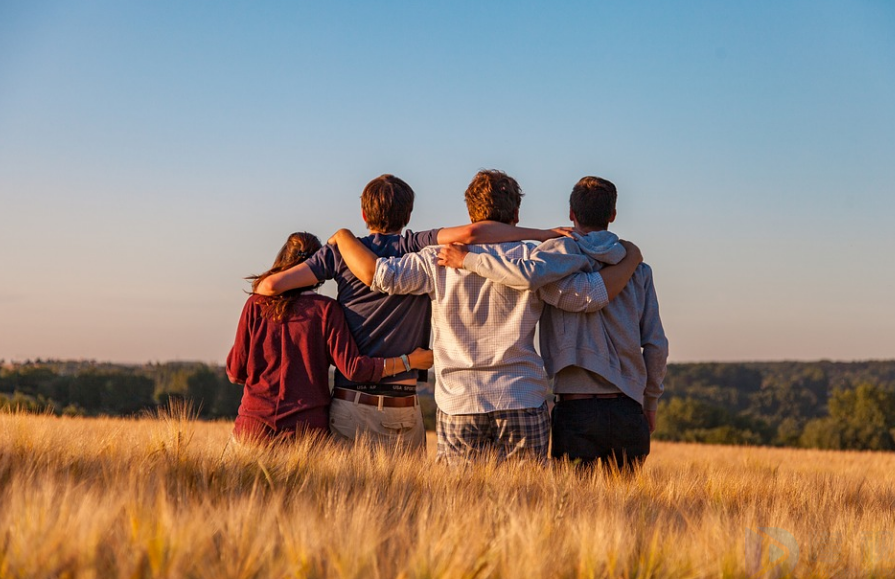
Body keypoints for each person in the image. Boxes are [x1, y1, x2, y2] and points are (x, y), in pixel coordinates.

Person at [328, 170, 643, 464]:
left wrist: (343, 237)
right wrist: (630, 259)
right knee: (527, 506)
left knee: (461, 508)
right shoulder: (535, 259)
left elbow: (380, 276)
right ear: (516, 215)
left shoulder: (435, 259)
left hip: (459, 401)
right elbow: (588, 296)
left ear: (470, 214)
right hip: (521, 396)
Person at [254, 174, 572, 451]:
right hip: (405, 405)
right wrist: (542, 234)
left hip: (352, 402)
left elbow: (269, 288)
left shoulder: (340, 252)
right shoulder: (416, 245)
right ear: (408, 215)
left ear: (363, 213)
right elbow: (474, 234)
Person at [438, 176, 668, 472]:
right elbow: (656, 344)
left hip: (575, 408)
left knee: (571, 509)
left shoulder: (552, 260)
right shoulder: (638, 269)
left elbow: (525, 276)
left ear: (571, 214)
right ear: (612, 215)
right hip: (628, 407)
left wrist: (468, 259)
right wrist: (650, 402)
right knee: (628, 512)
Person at [226, 231, 433, 443]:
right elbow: (354, 369)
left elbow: (235, 373)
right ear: (318, 267)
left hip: (253, 429)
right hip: (306, 434)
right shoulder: (326, 310)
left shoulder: (256, 305)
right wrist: (409, 361)